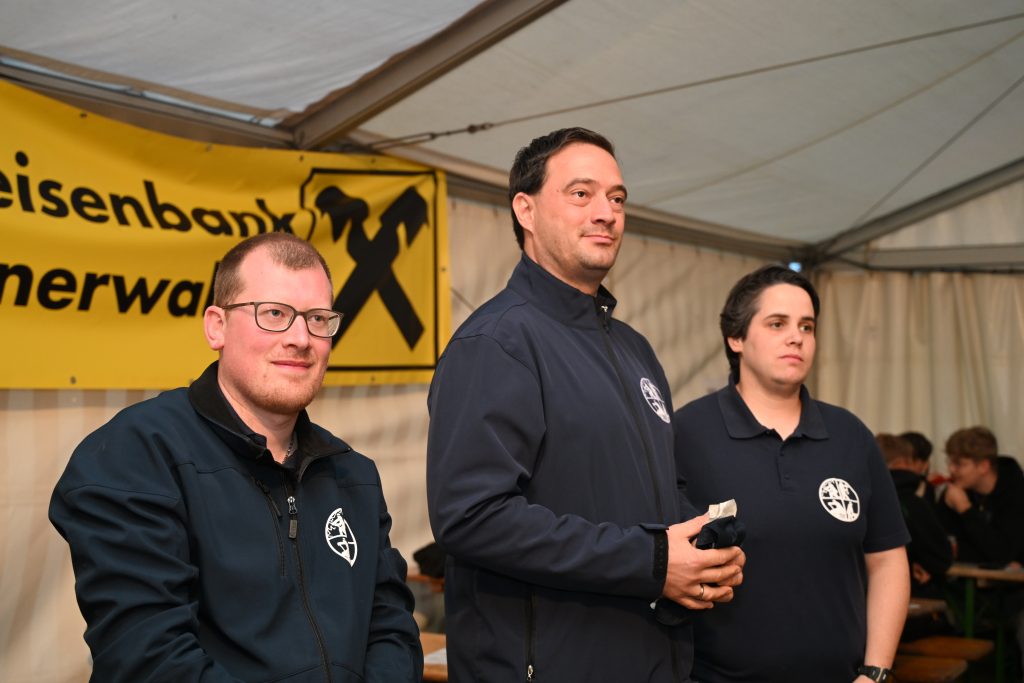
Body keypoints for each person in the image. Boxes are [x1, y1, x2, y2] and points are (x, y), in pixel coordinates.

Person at [426, 127, 745, 682]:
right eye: (581, 194)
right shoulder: (497, 342)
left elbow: (650, 491)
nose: (606, 213)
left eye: (617, 198)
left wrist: (701, 547)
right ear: (525, 210)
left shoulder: (634, 349)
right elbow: (472, 517)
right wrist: (651, 560)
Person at [50, 232, 423, 682]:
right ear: (217, 327)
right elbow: (149, 659)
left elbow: (392, 631)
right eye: (274, 314)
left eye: (318, 319)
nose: (301, 338)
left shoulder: (352, 475)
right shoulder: (135, 457)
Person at [673, 264, 910, 683]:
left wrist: (875, 672)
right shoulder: (687, 433)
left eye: (807, 326)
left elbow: (887, 559)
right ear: (736, 338)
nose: (796, 337)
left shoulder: (850, 436)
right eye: (777, 323)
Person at [876, 433, 952, 599]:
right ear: (905, 461)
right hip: (901, 592)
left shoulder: (855, 499)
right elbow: (941, 557)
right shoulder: (912, 502)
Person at [937, 426, 1024, 565]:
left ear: (983, 466)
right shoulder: (956, 490)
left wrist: (965, 509)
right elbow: (943, 548)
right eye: (950, 462)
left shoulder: (1016, 493)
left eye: (959, 464)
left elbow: (1002, 553)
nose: (951, 469)